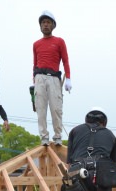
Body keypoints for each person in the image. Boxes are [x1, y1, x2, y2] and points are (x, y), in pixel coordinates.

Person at [33, 10, 71, 146]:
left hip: (54, 77)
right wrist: (34, 80)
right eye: (43, 22)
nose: (45, 25)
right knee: (40, 108)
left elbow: (66, 60)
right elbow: (35, 62)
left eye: (48, 22)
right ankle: (44, 137)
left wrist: (69, 79)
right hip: (39, 77)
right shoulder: (36, 44)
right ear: (40, 26)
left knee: (56, 108)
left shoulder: (59, 41)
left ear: (53, 25)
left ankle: (57, 136)